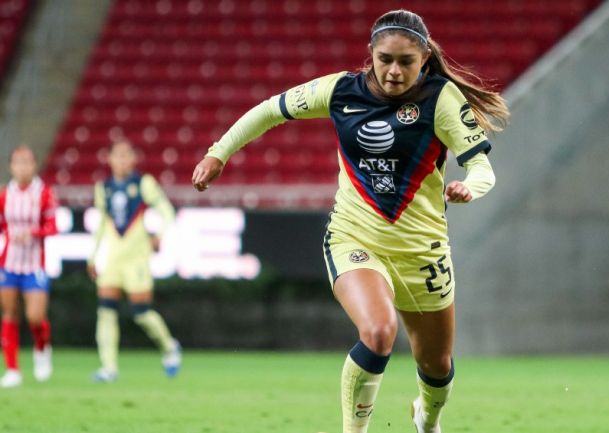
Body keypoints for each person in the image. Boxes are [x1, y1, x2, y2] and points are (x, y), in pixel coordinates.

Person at [192, 9, 508, 433]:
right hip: (355, 238)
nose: (394, 71)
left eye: (406, 62)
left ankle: (427, 420)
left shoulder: (442, 99)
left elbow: (483, 167)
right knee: (378, 332)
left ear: (424, 60)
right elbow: (271, 110)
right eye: (385, 59)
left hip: (422, 253)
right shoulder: (340, 90)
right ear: (371, 56)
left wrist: (471, 185)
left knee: (436, 368)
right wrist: (219, 151)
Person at [88, 141, 181, 382]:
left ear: (132, 159)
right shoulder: (103, 187)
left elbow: (167, 211)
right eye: (117, 156)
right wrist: (93, 254)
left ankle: (170, 347)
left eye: (125, 155)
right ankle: (109, 367)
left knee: (141, 313)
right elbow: (101, 224)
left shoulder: (143, 183)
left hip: (136, 259)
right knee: (106, 312)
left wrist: (159, 235)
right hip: (113, 260)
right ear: (109, 159)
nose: (121, 160)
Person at [0, 145, 58, 388]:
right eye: (18, 162)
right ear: (11, 166)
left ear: (34, 166)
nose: (22, 167)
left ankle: (42, 348)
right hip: (9, 263)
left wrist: (33, 233)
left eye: (26, 162)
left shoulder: (44, 193)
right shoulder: (4, 195)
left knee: (35, 316)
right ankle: (13, 369)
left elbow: (53, 226)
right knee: (9, 313)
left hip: (35, 264)